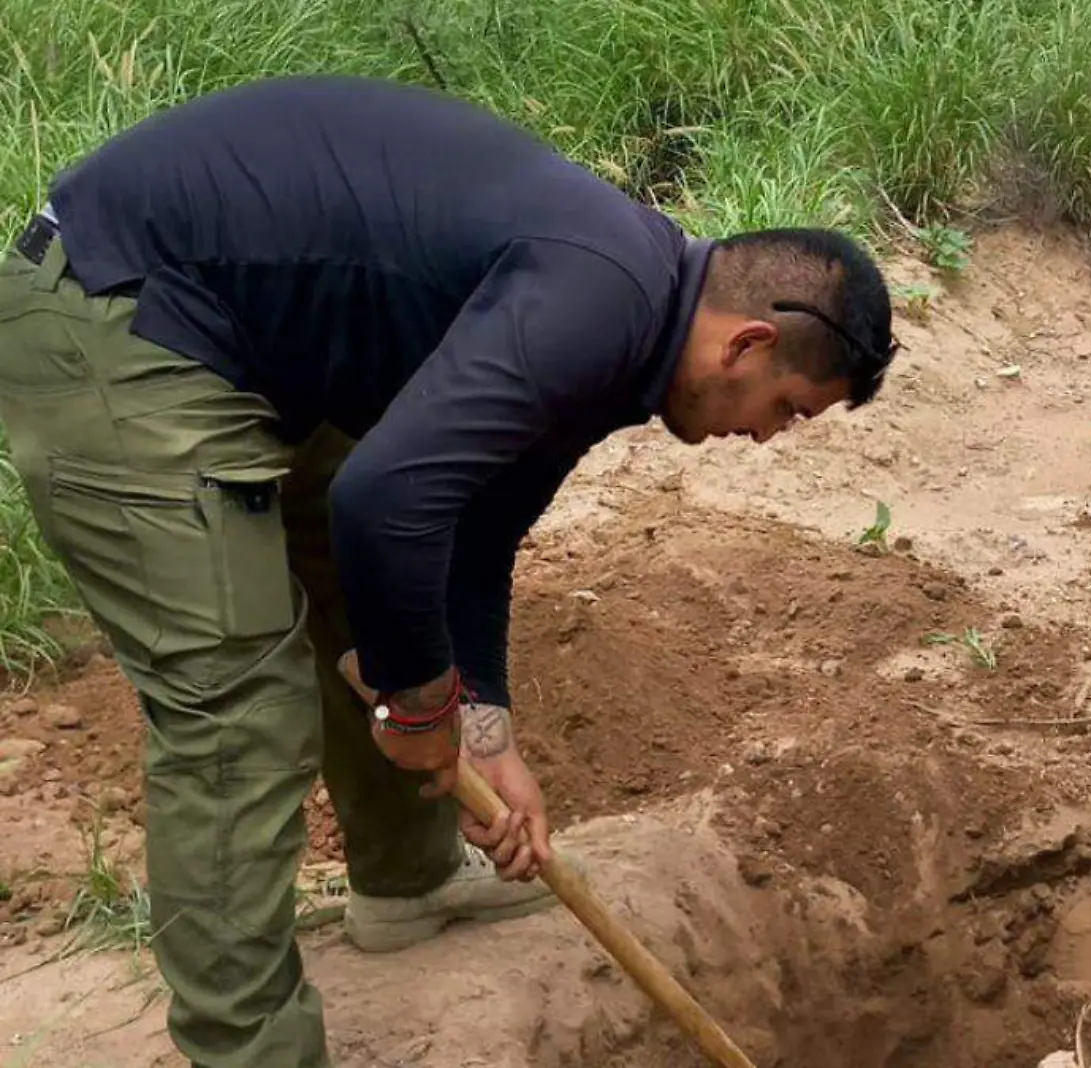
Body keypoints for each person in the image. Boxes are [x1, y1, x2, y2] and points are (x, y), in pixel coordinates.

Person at [0, 74, 896, 1068]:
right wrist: (421, 710)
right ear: (750, 343)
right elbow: (385, 501)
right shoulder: (599, 299)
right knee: (235, 711)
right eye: (787, 411)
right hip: (116, 315)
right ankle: (249, 1052)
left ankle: (408, 881)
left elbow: (477, 524)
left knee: (372, 588)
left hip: (238, 336)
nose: (766, 439)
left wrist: (481, 731)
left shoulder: (627, 315)